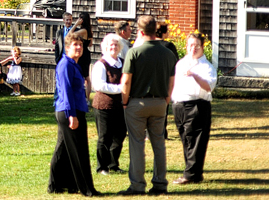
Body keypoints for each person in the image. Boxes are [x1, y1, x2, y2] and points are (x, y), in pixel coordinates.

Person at [119, 15, 177, 196]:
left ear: (141, 31)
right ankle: (160, 183)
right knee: (158, 143)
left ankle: (137, 185)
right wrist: (166, 100)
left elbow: (126, 81)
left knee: (137, 144)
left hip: (137, 101)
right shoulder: (168, 53)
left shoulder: (134, 52)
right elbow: (172, 81)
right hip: (160, 102)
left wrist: (124, 101)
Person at [48, 32, 99, 197]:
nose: (78, 48)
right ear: (68, 47)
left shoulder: (74, 64)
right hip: (69, 111)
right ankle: (86, 189)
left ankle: (58, 185)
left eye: (81, 45)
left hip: (74, 109)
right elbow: (66, 92)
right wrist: (72, 115)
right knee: (79, 151)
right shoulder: (65, 65)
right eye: (75, 45)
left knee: (63, 149)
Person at [171, 32, 217, 185]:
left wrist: (194, 75)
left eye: (197, 45)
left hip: (197, 105)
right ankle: (194, 173)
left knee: (195, 141)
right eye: (190, 45)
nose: (193, 48)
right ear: (186, 46)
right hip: (179, 105)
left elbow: (209, 87)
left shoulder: (206, 67)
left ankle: (190, 175)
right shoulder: (180, 63)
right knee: (186, 140)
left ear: (202, 47)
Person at [91, 33, 127, 175]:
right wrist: (120, 89)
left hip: (121, 105)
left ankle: (113, 164)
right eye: (111, 45)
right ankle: (102, 167)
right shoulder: (101, 64)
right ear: (105, 47)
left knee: (120, 135)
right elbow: (99, 85)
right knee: (105, 137)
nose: (113, 47)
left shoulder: (123, 62)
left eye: (116, 44)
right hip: (104, 106)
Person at [69, 12, 93, 97]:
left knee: (83, 76)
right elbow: (90, 44)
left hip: (82, 55)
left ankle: (84, 97)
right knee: (87, 76)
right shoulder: (89, 30)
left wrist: (75, 24)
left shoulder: (83, 30)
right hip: (87, 53)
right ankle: (87, 97)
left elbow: (70, 35)